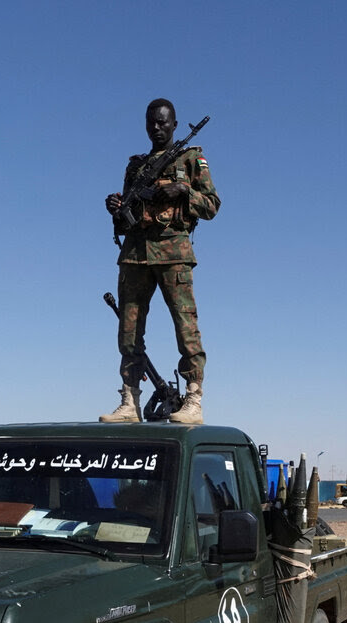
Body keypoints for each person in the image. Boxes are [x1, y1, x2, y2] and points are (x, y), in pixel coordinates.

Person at [101, 99, 220, 425]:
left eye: (163, 123)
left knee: (186, 328)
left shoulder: (191, 159)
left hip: (173, 253)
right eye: (152, 122)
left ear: (175, 125)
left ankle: (193, 399)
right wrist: (117, 208)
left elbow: (211, 205)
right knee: (128, 332)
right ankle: (129, 401)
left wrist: (183, 191)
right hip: (135, 255)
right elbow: (125, 219)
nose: (157, 127)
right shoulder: (136, 166)